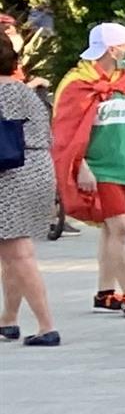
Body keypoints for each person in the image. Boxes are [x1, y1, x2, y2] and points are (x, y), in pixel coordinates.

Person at [53, 21, 125, 312]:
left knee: (111, 231)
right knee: (121, 227)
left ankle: (104, 293)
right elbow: (66, 132)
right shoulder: (77, 84)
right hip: (101, 168)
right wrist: (81, 166)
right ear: (112, 50)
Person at [0, 25, 60, 345]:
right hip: (38, 168)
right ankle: (8, 319)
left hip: (10, 174)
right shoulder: (26, 90)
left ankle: (46, 326)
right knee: (10, 251)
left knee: (18, 253)